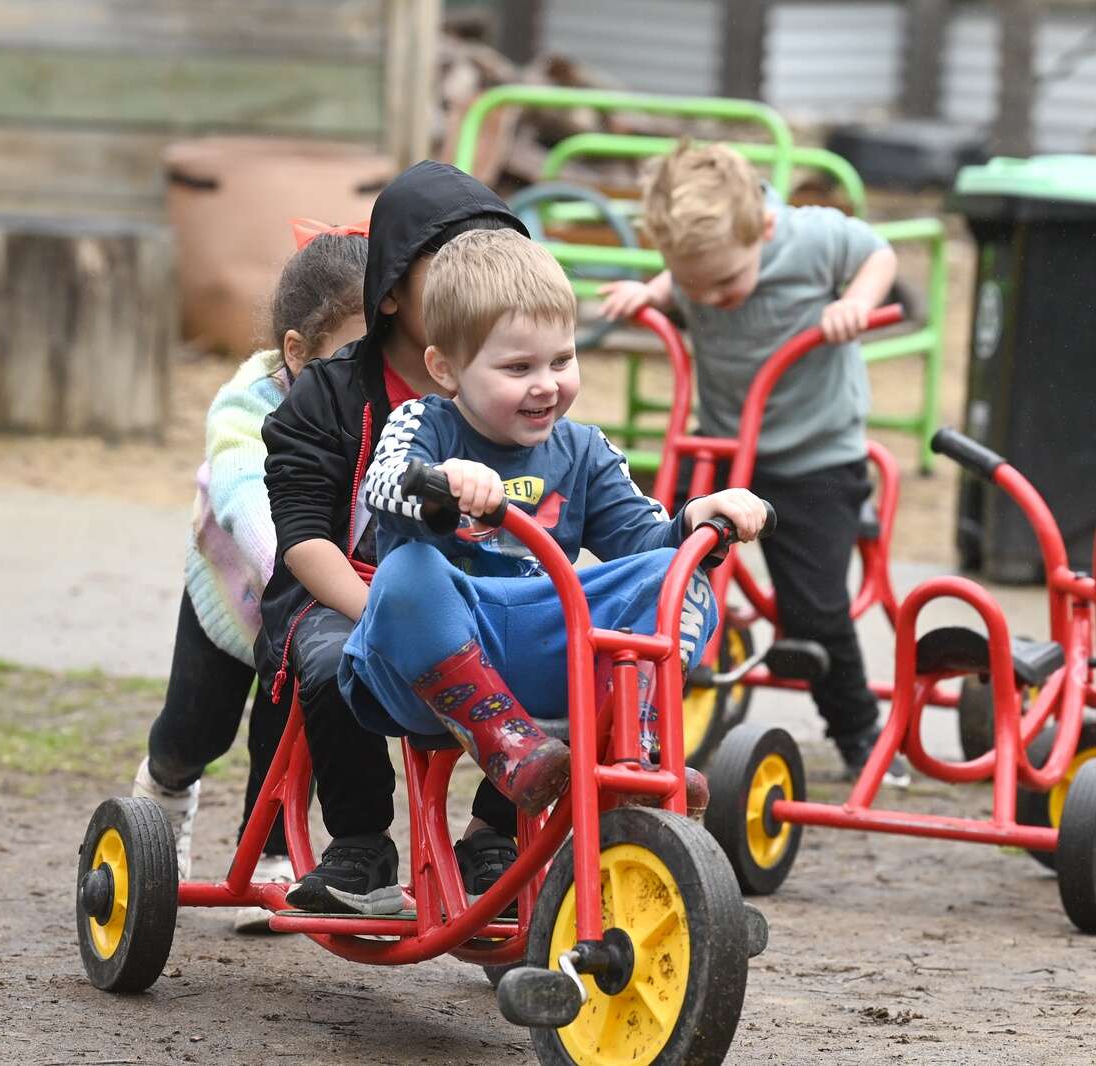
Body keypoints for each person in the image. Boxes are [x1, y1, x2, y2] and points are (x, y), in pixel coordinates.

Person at [340, 229, 765, 819]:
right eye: (518, 367)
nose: (546, 384)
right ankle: (503, 739)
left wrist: (695, 518)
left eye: (561, 360)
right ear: (446, 369)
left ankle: (634, 746)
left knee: (676, 576)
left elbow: (644, 542)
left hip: (544, 649)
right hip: (428, 661)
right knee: (406, 573)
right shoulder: (423, 423)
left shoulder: (583, 450)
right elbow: (381, 485)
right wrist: (442, 483)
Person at [257, 162, 530, 916]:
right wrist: (381, 614)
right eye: (454, 264)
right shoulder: (329, 395)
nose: (479, 283)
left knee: (563, 653)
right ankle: (361, 845)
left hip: (474, 592)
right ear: (391, 291)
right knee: (334, 655)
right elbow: (303, 540)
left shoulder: (507, 387)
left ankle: (493, 836)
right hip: (344, 589)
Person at [598, 141, 910, 786]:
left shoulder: (809, 237)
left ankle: (859, 734)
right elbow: (690, 279)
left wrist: (855, 301)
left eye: (725, 283)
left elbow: (878, 253)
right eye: (692, 286)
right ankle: (634, 713)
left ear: (763, 229)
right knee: (656, 558)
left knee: (816, 610)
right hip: (722, 446)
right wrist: (653, 292)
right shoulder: (703, 262)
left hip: (816, 457)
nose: (710, 299)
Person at [131, 223, 369, 933]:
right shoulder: (249, 402)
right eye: (353, 353)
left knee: (289, 736)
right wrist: (292, 560)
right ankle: (162, 801)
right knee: (193, 728)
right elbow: (243, 491)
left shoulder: (382, 404)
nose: (370, 371)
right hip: (234, 596)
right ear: (297, 352)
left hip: (313, 607)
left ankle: (269, 853)